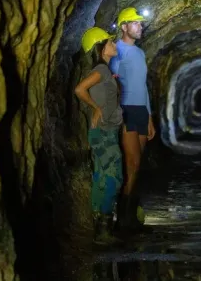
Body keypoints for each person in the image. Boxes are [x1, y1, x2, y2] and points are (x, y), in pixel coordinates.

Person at [74, 27, 124, 245]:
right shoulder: (101, 70)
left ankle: (101, 230)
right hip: (103, 133)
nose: (114, 44)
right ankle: (103, 230)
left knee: (102, 178)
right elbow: (80, 89)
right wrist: (95, 108)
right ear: (102, 47)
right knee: (113, 177)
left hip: (104, 131)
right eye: (110, 42)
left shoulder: (105, 70)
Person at [109, 7, 156, 233]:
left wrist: (150, 117)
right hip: (126, 109)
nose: (140, 27)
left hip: (140, 111)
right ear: (124, 27)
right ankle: (122, 219)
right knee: (132, 164)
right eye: (136, 24)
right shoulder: (117, 50)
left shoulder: (139, 53)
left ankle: (132, 216)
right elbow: (113, 82)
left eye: (141, 24)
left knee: (137, 167)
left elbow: (143, 86)